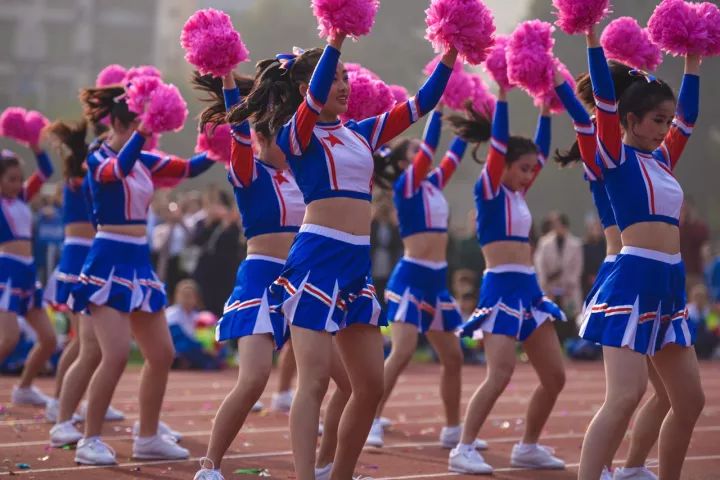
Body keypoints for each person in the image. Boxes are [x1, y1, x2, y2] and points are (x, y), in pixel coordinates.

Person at [229, 27, 455, 477]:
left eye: (346, 77)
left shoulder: (361, 133)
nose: (343, 85)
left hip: (356, 266)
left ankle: (340, 474)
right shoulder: (297, 134)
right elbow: (314, 99)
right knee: (313, 382)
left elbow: (422, 104)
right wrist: (335, 39)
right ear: (306, 88)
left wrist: (452, 50)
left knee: (368, 387)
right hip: (315, 260)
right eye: (334, 78)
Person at [189, 71, 350, 480]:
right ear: (262, 137)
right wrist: (229, 82)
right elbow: (239, 134)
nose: (292, 142)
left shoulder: (301, 174)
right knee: (254, 378)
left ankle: (325, 465)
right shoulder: (248, 174)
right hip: (261, 281)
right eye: (280, 135)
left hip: (301, 282)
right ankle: (209, 466)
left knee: (348, 384)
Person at [68, 80, 218, 465]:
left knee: (162, 353)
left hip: (138, 261)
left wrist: (221, 142)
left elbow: (189, 168)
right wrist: (145, 129)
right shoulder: (98, 157)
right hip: (107, 259)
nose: (146, 133)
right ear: (121, 124)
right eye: (139, 124)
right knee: (115, 354)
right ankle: (89, 439)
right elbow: (117, 170)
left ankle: (147, 437)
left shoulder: (144, 160)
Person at [577, 26, 704, 480]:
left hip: (669, 284)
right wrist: (592, 38)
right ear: (630, 120)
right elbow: (604, 100)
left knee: (689, 401)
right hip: (631, 280)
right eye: (657, 120)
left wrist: (693, 57)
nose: (666, 129)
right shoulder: (614, 156)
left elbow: (689, 115)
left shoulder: (663, 159)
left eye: (667, 121)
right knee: (624, 396)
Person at [555, 63, 673, 479]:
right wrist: (556, 75)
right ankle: (602, 468)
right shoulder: (604, 158)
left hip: (651, 275)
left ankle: (626, 467)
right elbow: (592, 112)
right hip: (621, 270)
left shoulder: (649, 160)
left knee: (654, 392)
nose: (664, 129)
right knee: (626, 392)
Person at [446, 82, 567, 474]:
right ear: (503, 165)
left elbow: (541, 152)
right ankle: (463, 448)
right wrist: (501, 93)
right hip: (499, 288)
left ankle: (527, 446)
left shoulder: (517, 194)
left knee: (555, 377)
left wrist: (546, 109)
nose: (529, 175)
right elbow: (499, 146)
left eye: (531, 170)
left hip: (529, 290)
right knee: (499, 374)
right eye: (523, 168)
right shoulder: (489, 191)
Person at [367, 106, 487, 452]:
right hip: (410, 278)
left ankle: (452, 428)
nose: (422, 152)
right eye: (415, 150)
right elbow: (432, 145)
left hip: (437, 282)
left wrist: (467, 117)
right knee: (403, 351)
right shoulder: (406, 186)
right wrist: (437, 107)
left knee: (453, 357)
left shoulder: (434, 183)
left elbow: (454, 153)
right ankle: (371, 418)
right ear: (404, 162)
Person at [42, 119, 123, 427]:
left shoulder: (82, 177)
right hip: (80, 257)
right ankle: (58, 402)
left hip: (89, 254)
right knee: (84, 343)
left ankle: (82, 401)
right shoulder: (81, 178)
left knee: (91, 344)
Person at [0, 138, 58, 406]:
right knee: (8, 339)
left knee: (49, 339)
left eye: (18, 179)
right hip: (7, 271)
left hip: (28, 271)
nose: (16, 184)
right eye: (10, 179)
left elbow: (46, 171)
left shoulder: (22, 196)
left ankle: (24, 388)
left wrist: (35, 146)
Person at [534, 211, 584, 319]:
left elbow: (577, 268)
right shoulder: (544, 243)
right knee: (550, 318)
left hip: (569, 289)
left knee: (569, 317)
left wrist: (569, 284)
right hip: (550, 287)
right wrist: (544, 283)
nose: (555, 227)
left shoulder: (575, 244)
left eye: (558, 224)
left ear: (564, 226)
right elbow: (539, 265)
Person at [166, 279, 223, 370]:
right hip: (180, 348)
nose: (186, 299)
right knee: (183, 344)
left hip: (196, 349)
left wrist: (213, 346)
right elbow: (178, 339)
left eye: (189, 296)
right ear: (177, 296)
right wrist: (202, 348)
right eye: (184, 295)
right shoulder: (170, 314)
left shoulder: (200, 317)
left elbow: (206, 338)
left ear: (196, 298)